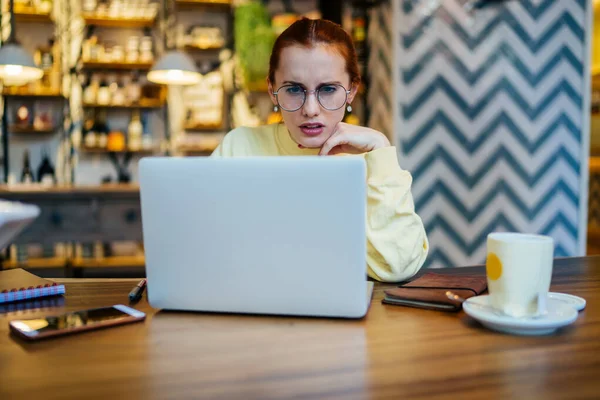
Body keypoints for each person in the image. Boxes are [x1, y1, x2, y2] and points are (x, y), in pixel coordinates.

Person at [211, 18, 428, 282]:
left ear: (352, 91)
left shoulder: (370, 160)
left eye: (327, 89)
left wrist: (381, 150)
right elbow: (203, 249)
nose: (310, 109)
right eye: (293, 89)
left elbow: (398, 266)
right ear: (272, 90)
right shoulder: (239, 147)